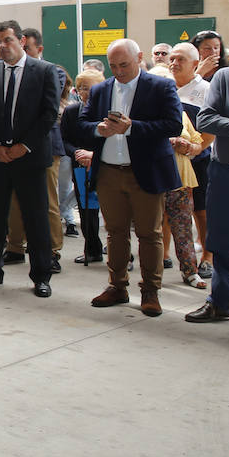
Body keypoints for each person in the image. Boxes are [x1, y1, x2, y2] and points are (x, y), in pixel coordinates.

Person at [75, 39, 182, 317]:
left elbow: (173, 124)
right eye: (113, 66)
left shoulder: (160, 86)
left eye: (124, 64)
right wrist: (99, 129)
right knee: (115, 232)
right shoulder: (100, 90)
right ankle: (117, 286)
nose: (119, 71)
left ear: (139, 58)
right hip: (109, 171)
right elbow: (83, 125)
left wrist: (132, 127)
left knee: (149, 234)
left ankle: (150, 291)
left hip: (144, 171)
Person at [0, 20, 61, 296]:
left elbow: (49, 114)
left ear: (21, 40)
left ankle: (41, 275)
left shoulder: (45, 71)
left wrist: (24, 146)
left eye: (7, 40)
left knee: (36, 218)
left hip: (30, 158)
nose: (2, 46)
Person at [3, 27, 70, 268]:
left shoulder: (52, 71)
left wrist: (26, 142)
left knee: (46, 201)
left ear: (38, 49)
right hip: (12, 146)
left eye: (27, 48)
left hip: (44, 146)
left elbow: (46, 111)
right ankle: (15, 246)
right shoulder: (4, 70)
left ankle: (51, 251)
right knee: (14, 199)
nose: (21, 52)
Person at [185, 51, 229, 324]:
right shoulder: (224, 76)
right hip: (225, 171)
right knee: (222, 241)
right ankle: (220, 303)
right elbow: (205, 120)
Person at [146, 66, 206, 288]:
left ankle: (190, 271)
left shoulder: (180, 113)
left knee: (183, 228)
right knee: (152, 229)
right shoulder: (142, 113)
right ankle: (153, 275)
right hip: (152, 179)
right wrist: (167, 142)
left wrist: (188, 145)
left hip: (181, 179)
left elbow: (198, 143)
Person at [170, 42, 214, 276]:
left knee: (201, 209)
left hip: (199, 159)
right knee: (167, 210)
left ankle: (208, 255)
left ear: (196, 65)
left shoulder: (207, 90)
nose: (174, 63)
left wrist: (196, 149)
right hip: (169, 159)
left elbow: (210, 129)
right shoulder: (164, 86)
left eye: (181, 60)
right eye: (172, 59)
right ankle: (165, 256)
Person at [62, 70, 106, 265]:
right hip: (81, 166)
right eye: (81, 88)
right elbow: (64, 140)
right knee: (87, 210)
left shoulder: (107, 111)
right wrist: (78, 153)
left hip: (106, 166)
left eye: (89, 88)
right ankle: (93, 249)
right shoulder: (72, 111)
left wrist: (94, 156)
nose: (84, 92)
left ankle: (122, 254)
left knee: (113, 211)